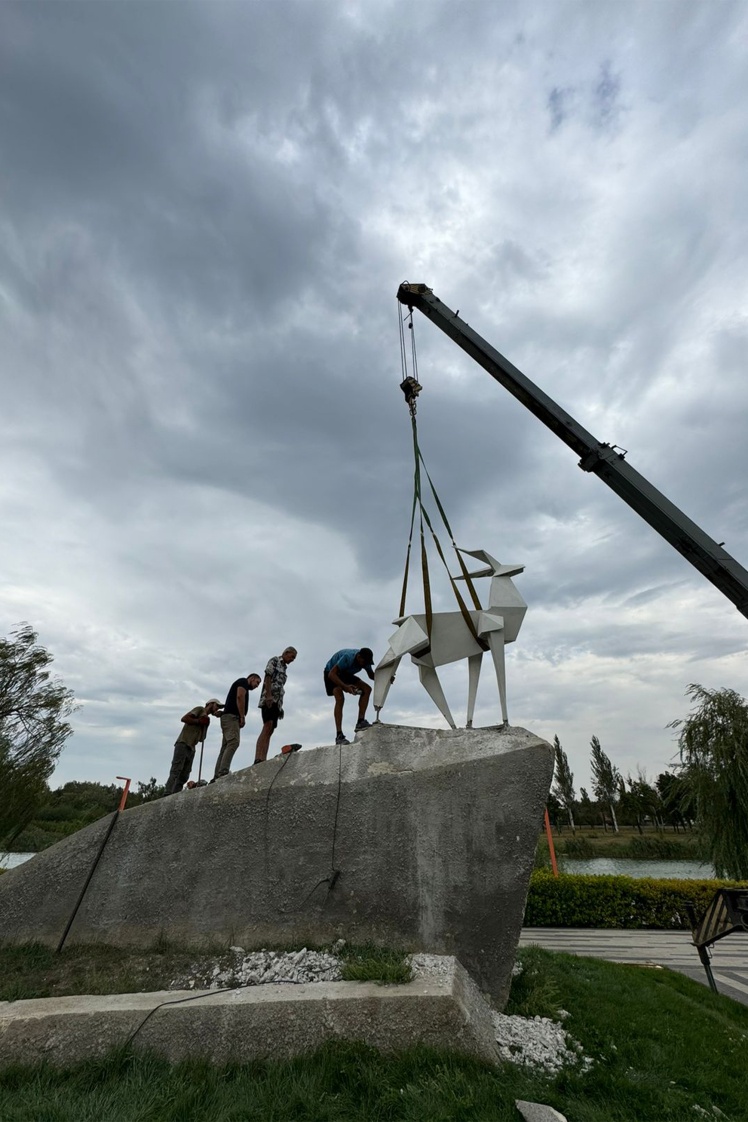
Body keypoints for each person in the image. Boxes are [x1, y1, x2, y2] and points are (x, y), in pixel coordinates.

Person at [165, 699, 222, 794]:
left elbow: (201, 739)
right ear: (211, 704)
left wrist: (206, 725)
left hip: (192, 748)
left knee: (184, 775)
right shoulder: (200, 709)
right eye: (217, 706)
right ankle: (167, 792)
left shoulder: (207, 719)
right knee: (176, 770)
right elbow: (184, 718)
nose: (217, 709)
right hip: (183, 743)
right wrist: (198, 721)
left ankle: (175, 793)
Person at [212, 673, 261, 779]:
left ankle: (217, 774)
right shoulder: (243, 682)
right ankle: (223, 772)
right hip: (232, 718)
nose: (257, 686)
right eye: (257, 682)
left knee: (225, 746)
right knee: (233, 742)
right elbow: (240, 696)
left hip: (227, 717)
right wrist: (242, 716)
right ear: (252, 678)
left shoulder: (242, 684)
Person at [324, 648, 375, 745]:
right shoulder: (348, 657)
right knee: (340, 698)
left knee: (367, 689)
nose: (365, 665)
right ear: (359, 657)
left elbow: (371, 675)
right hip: (331, 672)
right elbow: (331, 674)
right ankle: (339, 735)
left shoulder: (366, 661)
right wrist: (345, 687)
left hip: (345, 673)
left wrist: (387, 678)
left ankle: (360, 721)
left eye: (367, 664)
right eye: (363, 663)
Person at [255, 646, 297, 763]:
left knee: (271, 729)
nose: (292, 660)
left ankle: (263, 757)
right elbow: (268, 677)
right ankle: (258, 757)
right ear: (286, 653)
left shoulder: (284, 668)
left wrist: (280, 707)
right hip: (269, 699)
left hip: (277, 702)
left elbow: (280, 687)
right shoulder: (274, 661)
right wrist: (268, 695)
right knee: (267, 726)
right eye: (292, 657)